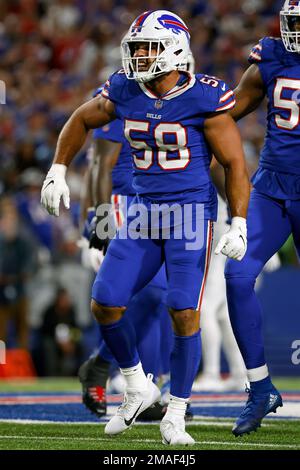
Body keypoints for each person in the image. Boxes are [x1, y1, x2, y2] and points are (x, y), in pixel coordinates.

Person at [41, 10, 250, 445]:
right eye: (136, 47)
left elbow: (233, 163)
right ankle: (137, 385)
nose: (138, 56)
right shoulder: (124, 89)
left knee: (183, 311)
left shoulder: (204, 97)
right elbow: (82, 119)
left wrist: (240, 222)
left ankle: (175, 412)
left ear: (175, 49)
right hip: (141, 211)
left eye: (147, 47)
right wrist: (58, 169)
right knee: (105, 302)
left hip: (191, 214)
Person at [225, 0, 300, 437]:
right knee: (237, 276)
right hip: (270, 189)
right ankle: (260, 388)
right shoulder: (271, 58)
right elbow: (225, 115)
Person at [78, 105, 171, 419]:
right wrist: (95, 224)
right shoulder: (126, 97)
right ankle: (112, 370)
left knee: (156, 301)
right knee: (130, 297)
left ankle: (138, 382)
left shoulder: (182, 97)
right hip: (122, 203)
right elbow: (99, 166)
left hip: (159, 204)